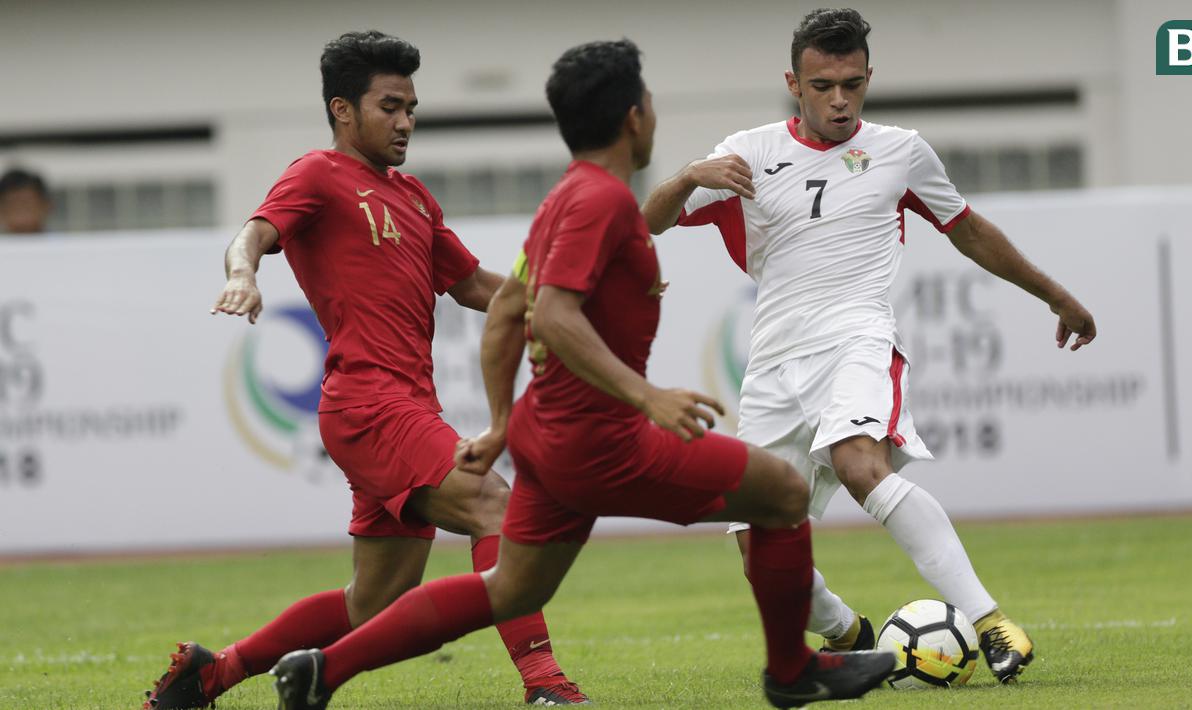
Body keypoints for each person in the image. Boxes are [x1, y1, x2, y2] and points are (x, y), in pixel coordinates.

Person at [264, 39, 895, 710]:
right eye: (649, 103)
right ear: (634, 118)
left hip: (549, 438)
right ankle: (790, 670)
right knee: (782, 493)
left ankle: (321, 669)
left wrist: (503, 424)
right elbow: (552, 315)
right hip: (603, 440)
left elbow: (508, 310)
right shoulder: (602, 202)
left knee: (508, 587)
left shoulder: (564, 199)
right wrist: (646, 397)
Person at [641, 7, 1097, 684]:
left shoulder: (901, 151)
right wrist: (686, 178)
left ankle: (989, 622)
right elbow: (646, 223)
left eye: (851, 84)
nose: (839, 100)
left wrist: (1054, 295)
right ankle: (848, 634)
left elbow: (968, 230)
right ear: (793, 84)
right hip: (772, 360)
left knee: (859, 463)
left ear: (868, 78)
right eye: (822, 86)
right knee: (757, 544)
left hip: (857, 336)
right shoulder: (748, 152)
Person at [142, 30, 586, 709]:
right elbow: (253, 232)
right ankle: (545, 684)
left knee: (374, 601)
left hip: (401, 407)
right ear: (343, 110)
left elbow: (474, 286)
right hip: (369, 404)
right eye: (389, 107)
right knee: (495, 504)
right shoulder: (317, 174)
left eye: (411, 108)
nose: (405, 122)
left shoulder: (414, 197)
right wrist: (242, 275)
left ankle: (212, 673)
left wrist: (563, 304)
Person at [0, 167, 51, 234]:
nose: (21, 216)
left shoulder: (62, 240)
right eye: (13, 207)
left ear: (45, 206)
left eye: (27, 205)